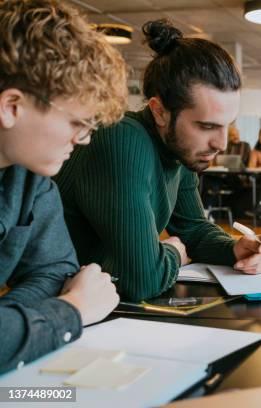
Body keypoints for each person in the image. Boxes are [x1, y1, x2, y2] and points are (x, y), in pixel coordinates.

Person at [54, 19, 261, 302]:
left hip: (105, 304)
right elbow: (141, 279)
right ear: (159, 111)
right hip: (60, 307)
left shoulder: (178, 151)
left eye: (226, 125)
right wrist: (173, 253)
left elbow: (192, 227)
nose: (221, 143)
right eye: (206, 126)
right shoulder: (121, 139)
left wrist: (232, 248)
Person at [0, 0, 126, 374]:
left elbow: (55, 272)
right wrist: (71, 310)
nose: (83, 140)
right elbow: (66, 295)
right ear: (11, 106)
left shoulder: (31, 177)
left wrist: (11, 328)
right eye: (77, 123)